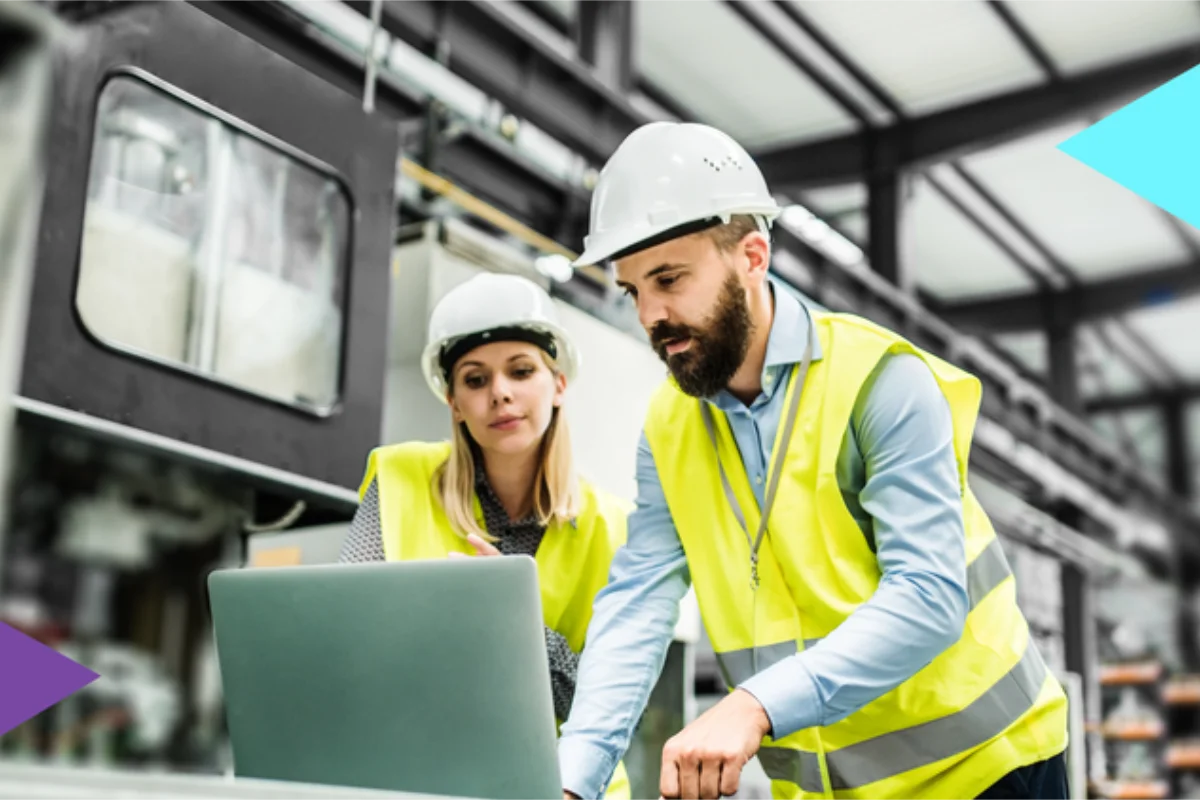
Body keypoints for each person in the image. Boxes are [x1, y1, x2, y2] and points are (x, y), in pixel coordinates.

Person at [556, 122, 1070, 800]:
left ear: (753, 256)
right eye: (632, 291)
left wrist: (752, 706)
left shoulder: (879, 381)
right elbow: (636, 604)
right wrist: (571, 780)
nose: (651, 314)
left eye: (670, 279)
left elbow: (930, 595)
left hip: (988, 771)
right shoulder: (669, 427)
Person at [338, 272, 631, 800]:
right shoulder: (399, 479)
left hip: (563, 786)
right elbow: (349, 637)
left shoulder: (611, 526)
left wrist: (507, 616)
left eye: (521, 371)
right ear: (454, 403)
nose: (500, 394)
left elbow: (603, 701)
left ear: (558, 383)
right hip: (421, 777)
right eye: (475, 380)